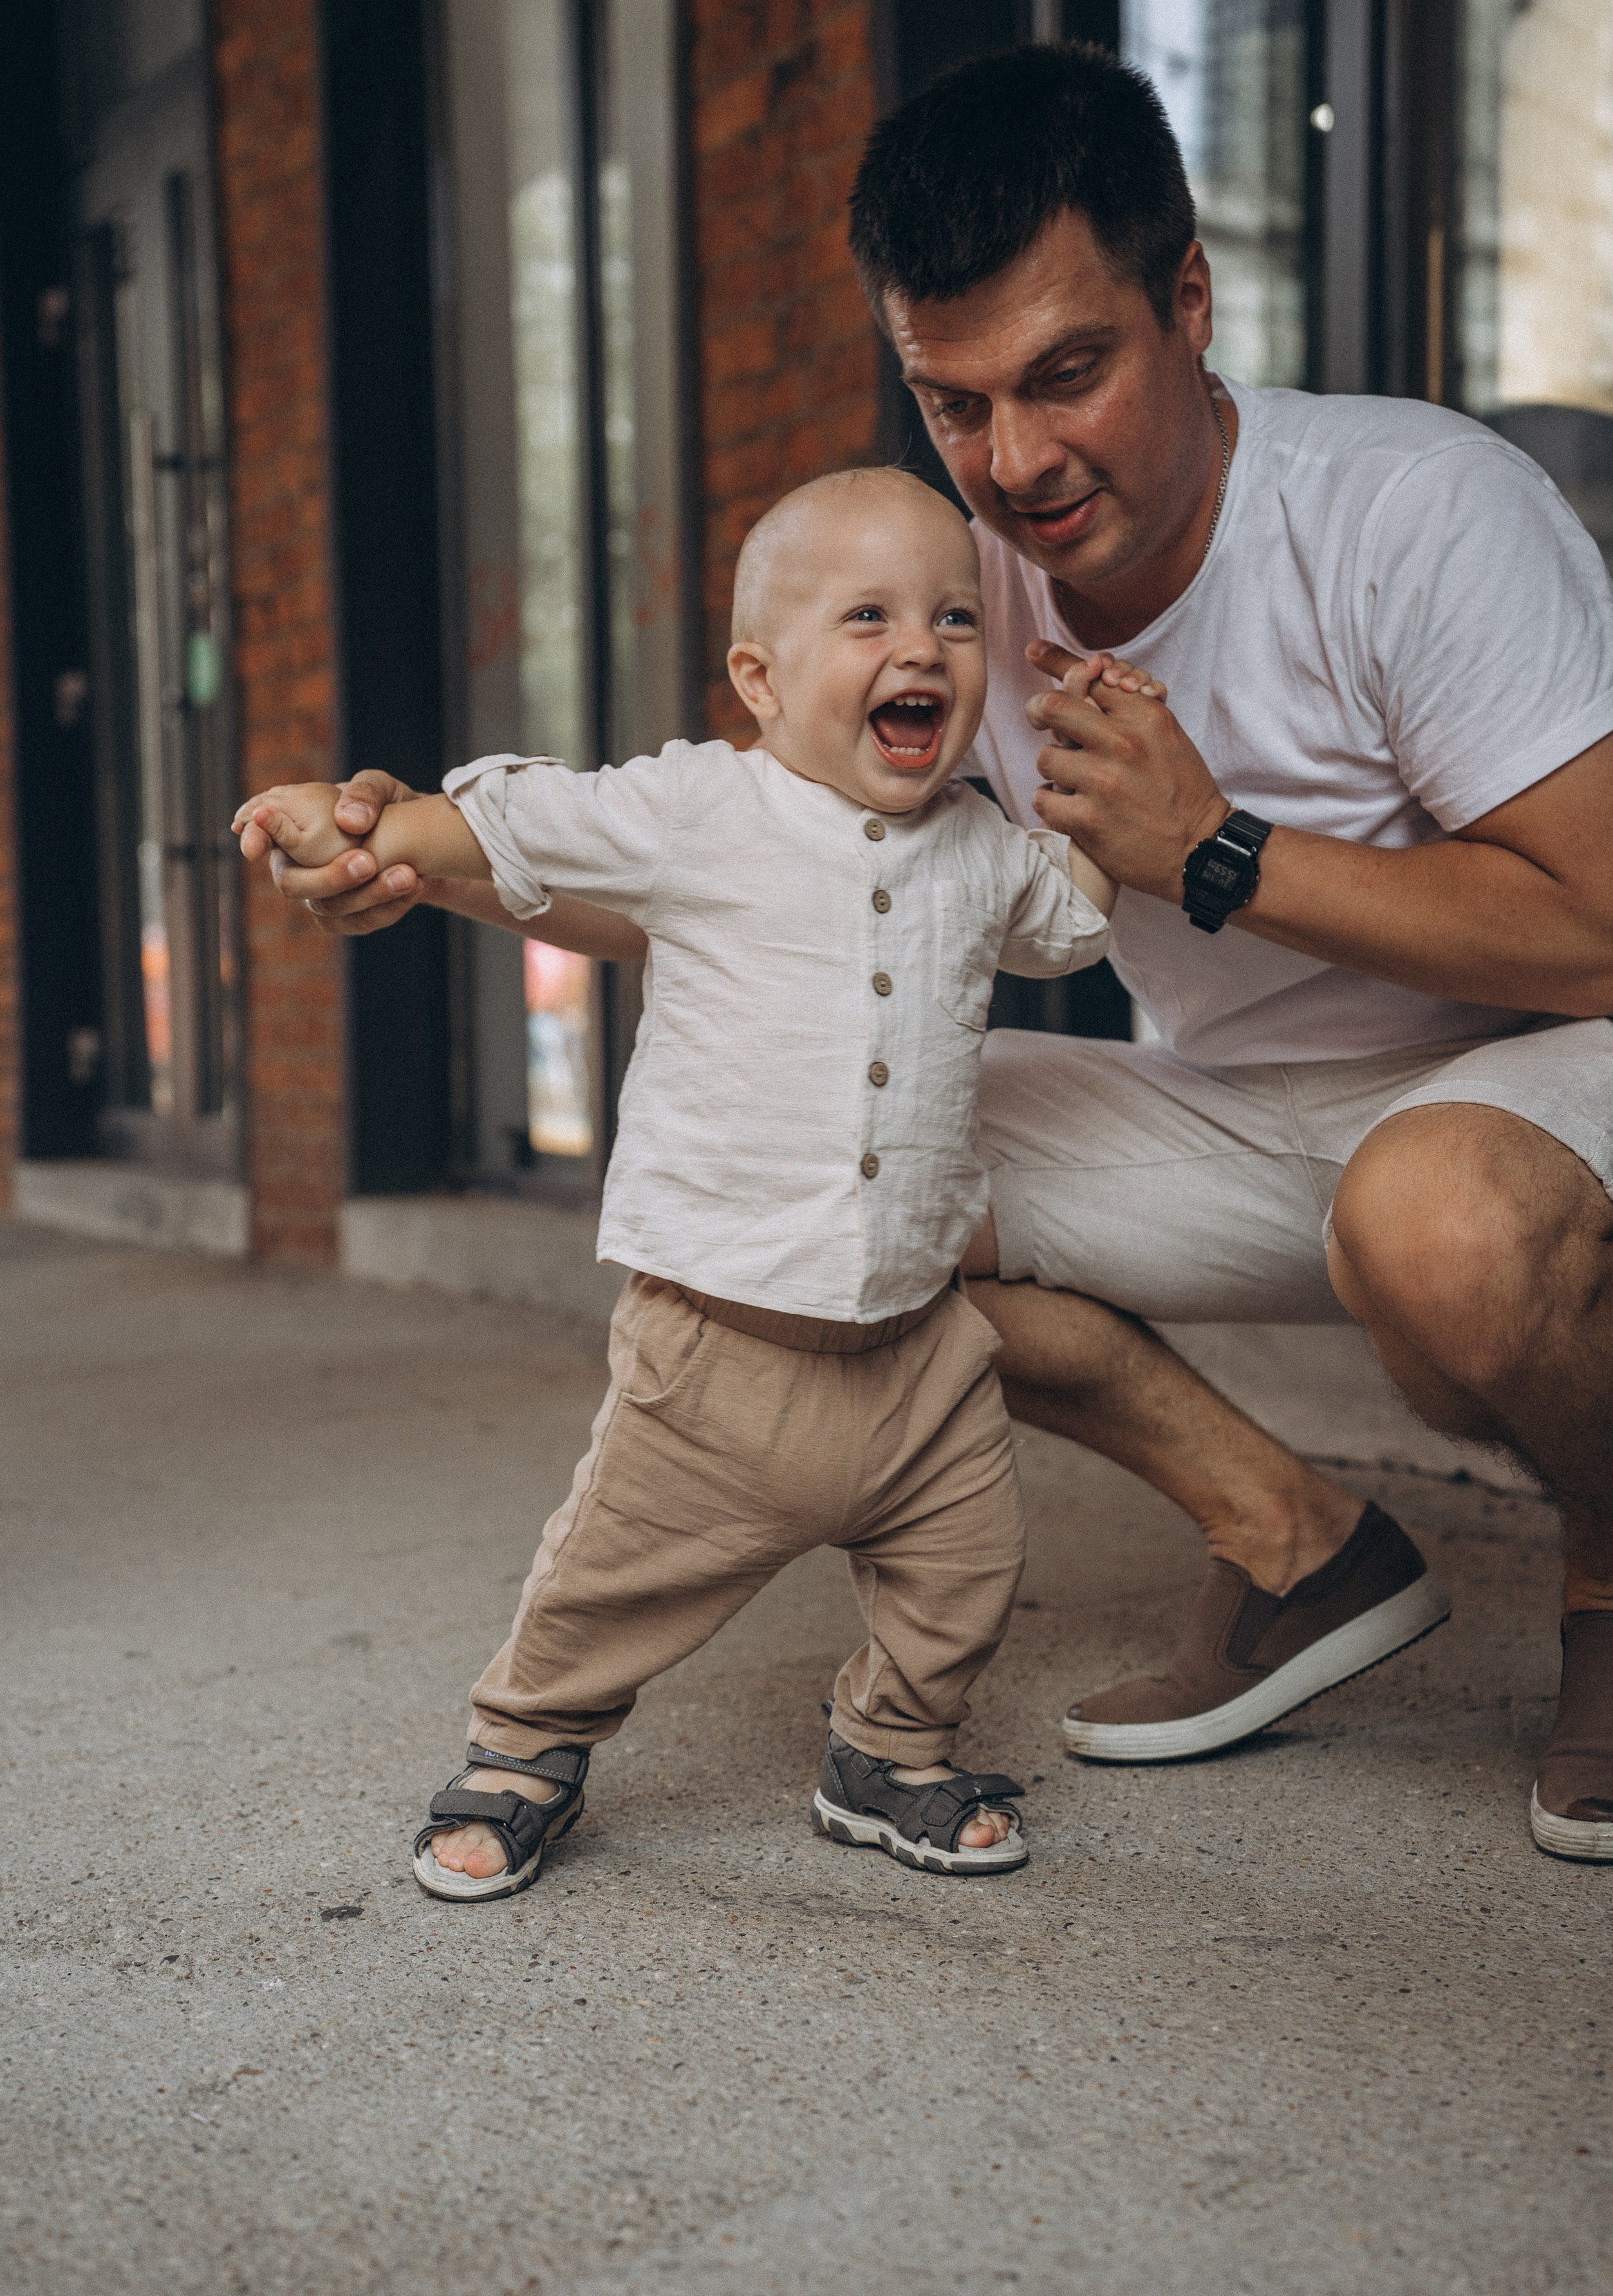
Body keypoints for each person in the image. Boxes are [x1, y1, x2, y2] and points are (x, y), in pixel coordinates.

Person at [274, 44, 1613, 1867]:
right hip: (1230, 1102)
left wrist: (1216, 852)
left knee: (1442, 1221)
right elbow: (753, 880)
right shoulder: (945, 590)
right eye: (956, 403)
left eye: (1068, 375)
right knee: (836, 1183)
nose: (1016, 463)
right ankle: (1297, 1545)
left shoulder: (1412, 510)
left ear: (1188, 300)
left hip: (1535, 1074)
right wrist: (426, 864)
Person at [235, 468, 1158, 1899]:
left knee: (966, 1567)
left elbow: (1072, 930)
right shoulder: (701, 807)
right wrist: (365, 829)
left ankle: (889, 1752)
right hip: (721, 1345)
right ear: (761, 680)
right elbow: (524, 827)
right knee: (613, 1579)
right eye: (868, 617)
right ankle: (526, 1742)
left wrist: (1111, 802)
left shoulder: (984, 846)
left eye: (955, 619)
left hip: (919, 1346)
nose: (921, 648)